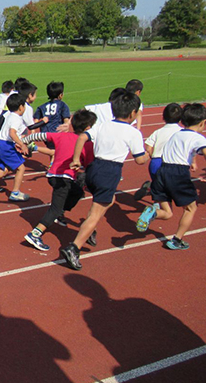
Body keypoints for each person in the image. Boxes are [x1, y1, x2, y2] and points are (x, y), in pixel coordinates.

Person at [61, 91, 148, 270]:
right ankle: (74, 247)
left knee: (108, 202)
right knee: (96, 212)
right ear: (132, 113)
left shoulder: (103, 125)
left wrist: (76, 159)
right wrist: (151, 153)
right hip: (110, 172)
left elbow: (83, 136)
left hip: (93, 169)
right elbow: (140, 160)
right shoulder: (133, 132)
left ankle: (89, 229)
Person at [20, 109, 97, 252]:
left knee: (77, 192)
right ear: (88, 128)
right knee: (54, 209)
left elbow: (38, 135)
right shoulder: (87, 144)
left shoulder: (60, 136)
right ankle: (35, 233)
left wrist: (23, 142)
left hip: (53, 176)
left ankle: (61, 211)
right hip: (64, 179)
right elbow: (89, 165)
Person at [135, 103, 206, 250]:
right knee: (190, 208)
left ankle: (153, 212)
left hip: (162, 171)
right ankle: (176, 240)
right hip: (178, 173)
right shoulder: (198, 138)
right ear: (202, 123)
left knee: (168, 213)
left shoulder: (176, 135)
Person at [133, 103, 183, 200]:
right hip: (171, 164)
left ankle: (152, 192)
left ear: (163, 117)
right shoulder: (181, 132)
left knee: (161, 190)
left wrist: (153, 156)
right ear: (180, 118)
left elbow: (148, 147)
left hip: (155, 162)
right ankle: (151, 190)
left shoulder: (158, 132)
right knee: (171, 189)